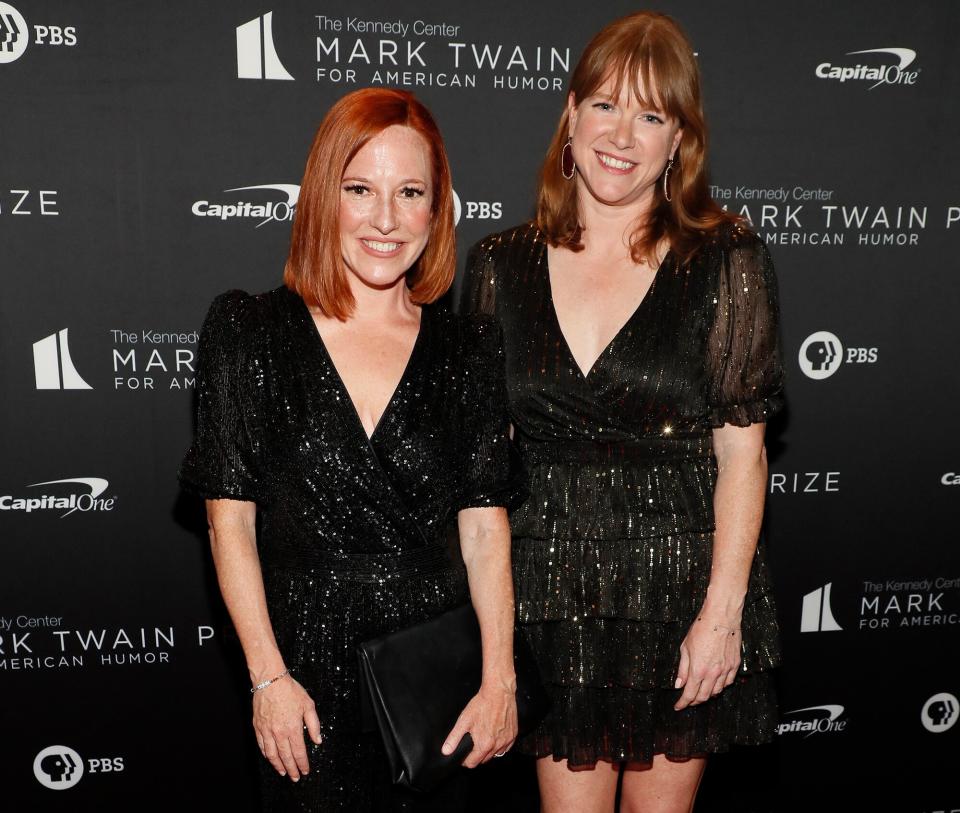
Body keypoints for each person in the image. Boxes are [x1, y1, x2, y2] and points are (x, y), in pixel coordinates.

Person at [460, 12, 783, 813]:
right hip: (551, 598)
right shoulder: (499, 266)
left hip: (679, 592)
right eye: (605, 104)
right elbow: (481, 474)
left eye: (651, 115)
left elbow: (743, 454)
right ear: (570, 115)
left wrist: (722, 613)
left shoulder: (726, 259)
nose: (622, 134)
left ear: (679, 141)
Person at [179, 87, 522, 812]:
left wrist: (500, 681)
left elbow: (485, 532)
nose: (386, 219)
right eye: (360, 189)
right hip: (304, 678)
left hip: (435, 684)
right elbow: (229, 521)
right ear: (321, 195)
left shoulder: (469, 349)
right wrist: (268, 677)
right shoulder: (248, 333)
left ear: (438, 209)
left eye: (411, 192)